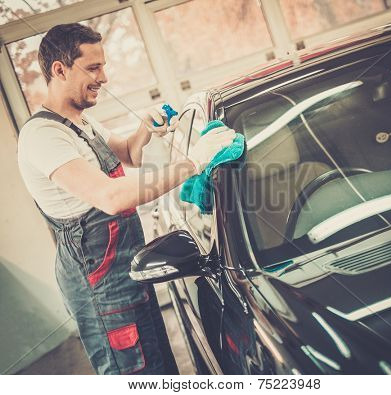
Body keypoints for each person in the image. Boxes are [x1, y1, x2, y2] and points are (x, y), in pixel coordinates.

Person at [17, 23, 235, 375]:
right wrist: (193, 162)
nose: (103, 77)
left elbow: (130, 155)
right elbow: (111, 197)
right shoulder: (42, 136)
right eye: (93, 68)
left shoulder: (81, 122)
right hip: (101, 289)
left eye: (102, 66)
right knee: (134, 373)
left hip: (127, 273)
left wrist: (144, 129)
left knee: (159, 367)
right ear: (59, 69)